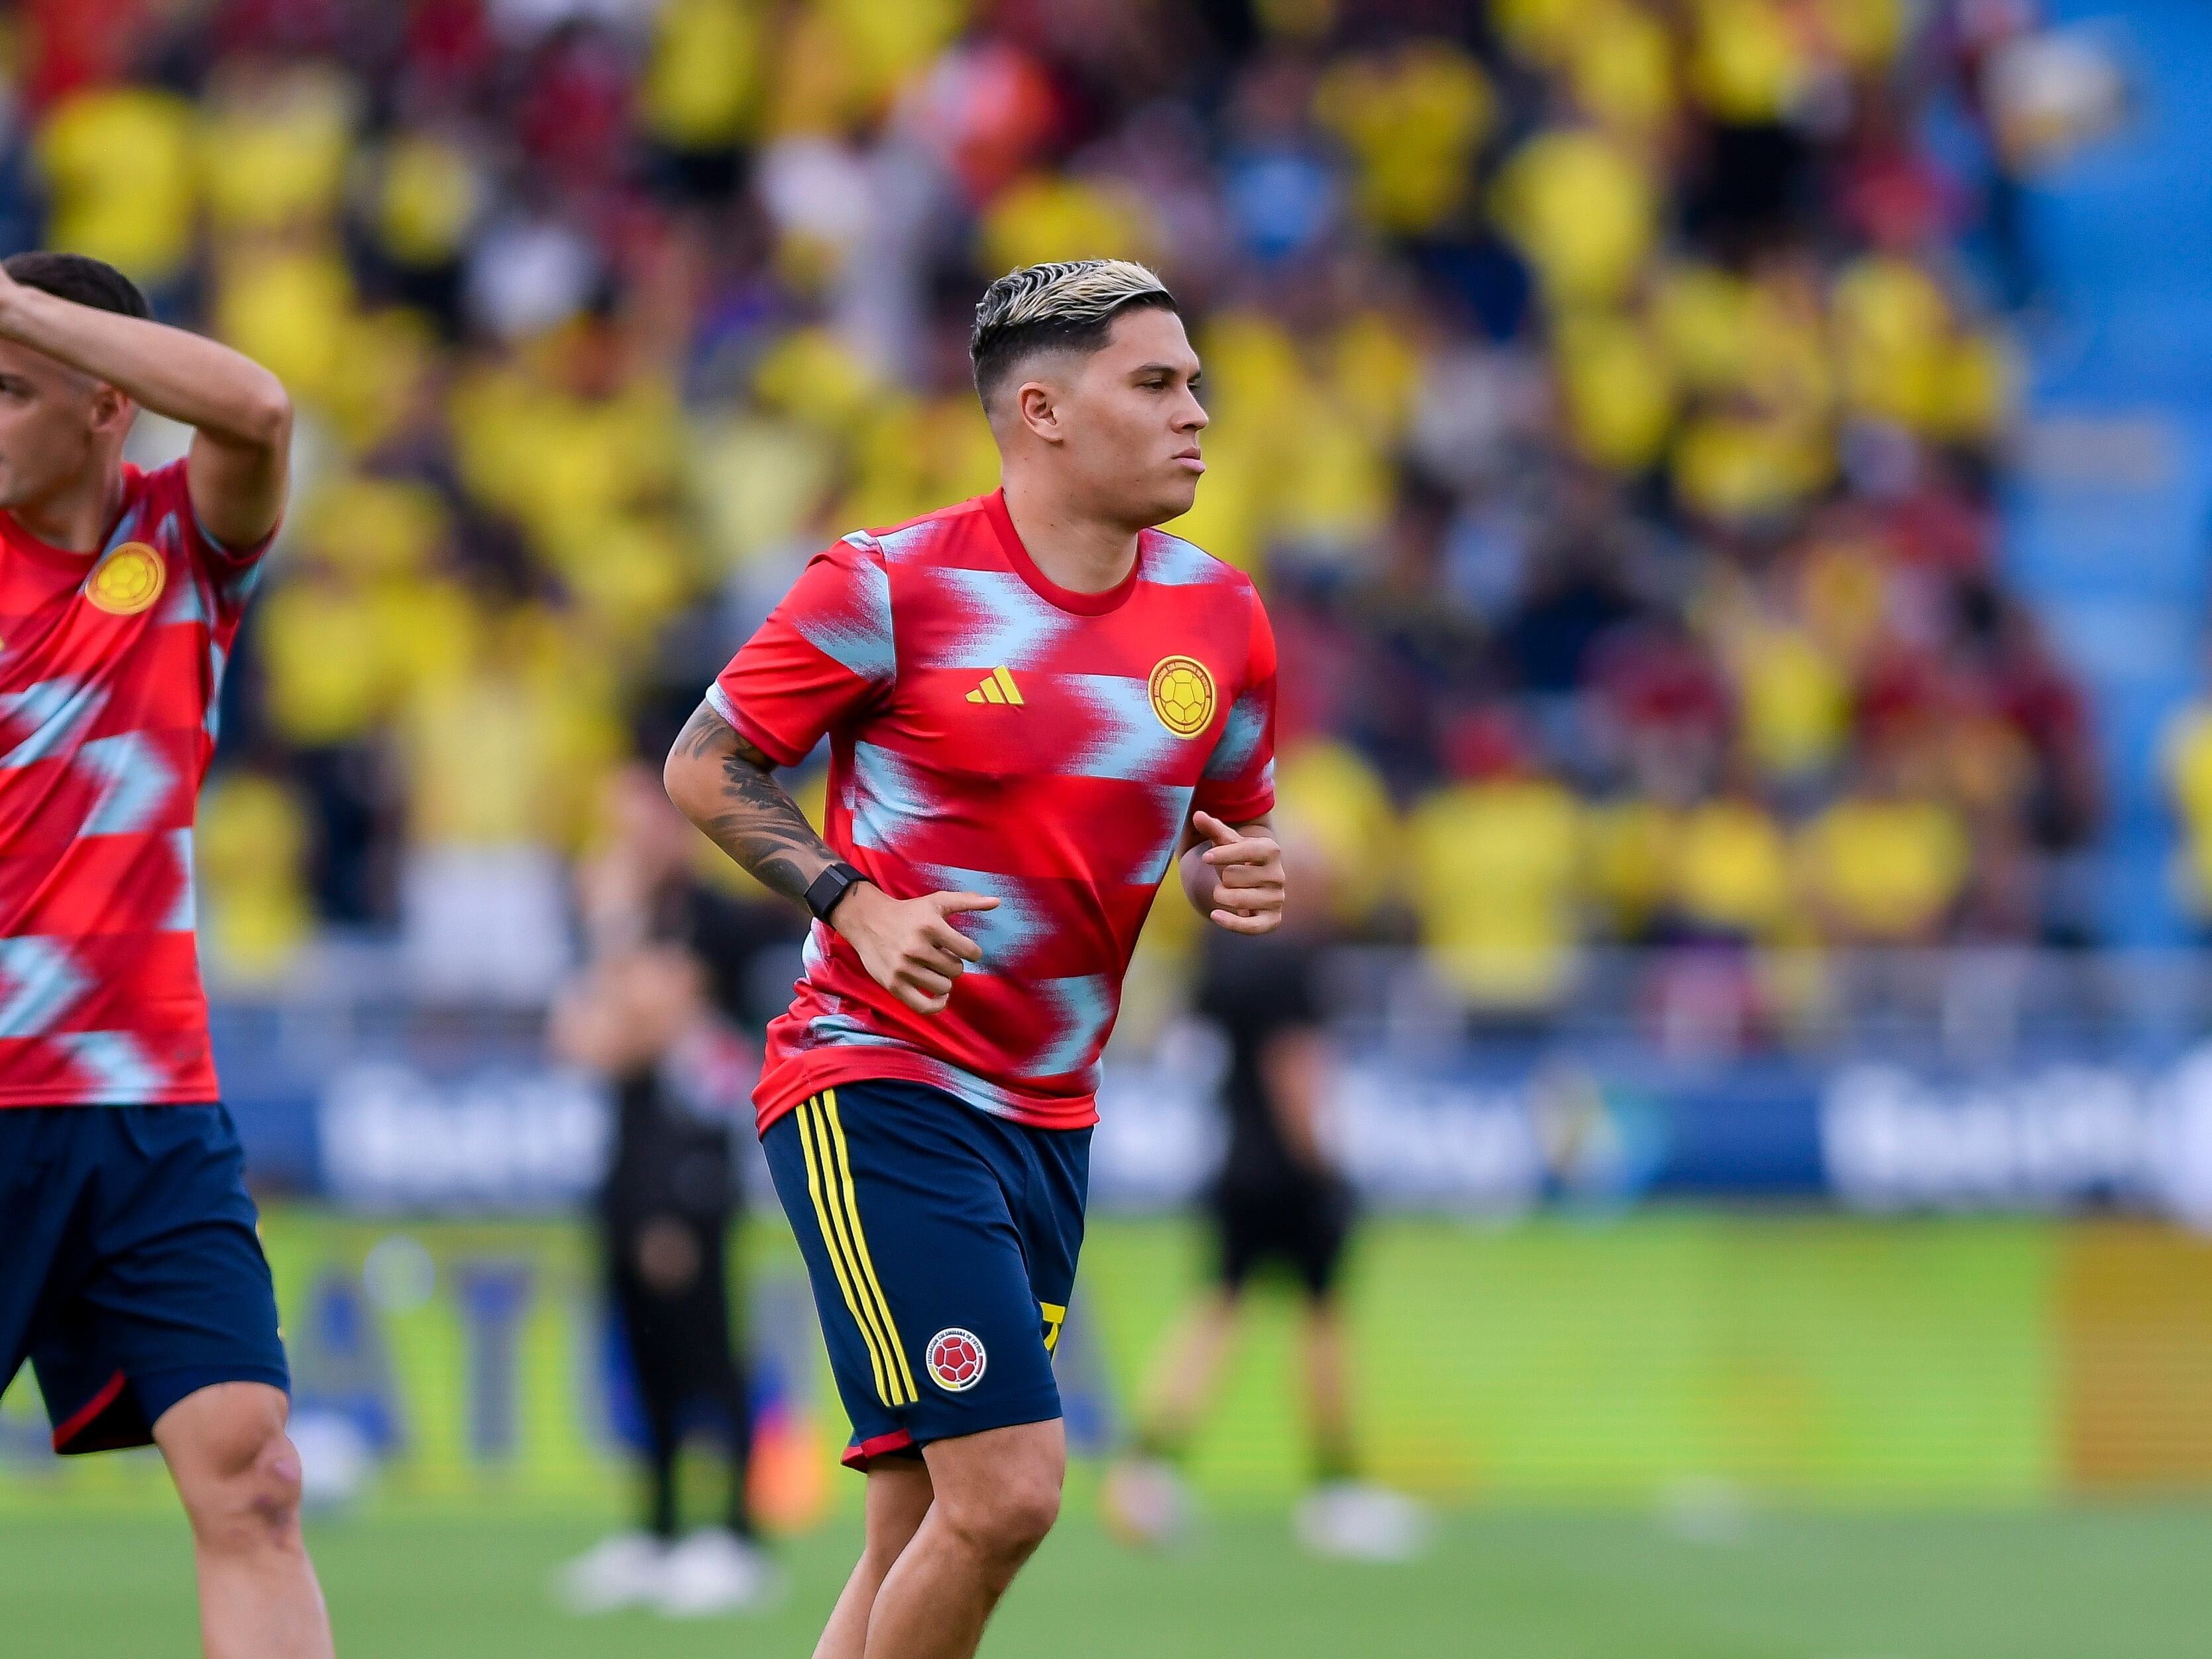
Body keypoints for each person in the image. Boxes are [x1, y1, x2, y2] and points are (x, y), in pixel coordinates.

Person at [663, 258, 1286, 1659]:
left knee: (915, 1528)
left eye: (1193, 380)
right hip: (877, 1081)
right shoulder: (887, 585)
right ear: (1044, 412)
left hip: (1050, 1115)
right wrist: (852, 901)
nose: (1199, 409)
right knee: (1005, 1493)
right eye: (1158, 383)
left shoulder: (1222, 620)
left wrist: (1222, 867)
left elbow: (1225, 817)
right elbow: (702, 769)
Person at [0, 253, 329, 1656]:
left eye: (6, 389)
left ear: (105, 409)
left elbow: (256, 408)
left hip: (149, 1109)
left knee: (253, 1479)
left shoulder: (182, 546)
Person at [1102, 834, 1427, 1561]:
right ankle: (1335, 1485)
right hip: (1285, 1166)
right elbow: (1295, 1069)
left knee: (1215, 1310)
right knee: (1321, 1319)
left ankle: (1149, 1467)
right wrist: (1325, 1165)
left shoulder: (1220, 958)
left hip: (1232, 1157)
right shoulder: (1293, 962)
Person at [549, 761, 793, 1616]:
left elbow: (644, 1019)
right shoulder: (627, 924)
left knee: (706, 1351)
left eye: (633, 816)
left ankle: (732, 1533)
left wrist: (613, 942)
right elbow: (582, 1040)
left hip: (692, 1166)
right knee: (642, 1352)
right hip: (623, 1160)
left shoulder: (707, 918)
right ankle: (654, 1531)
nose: (621, 837)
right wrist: (621, 1000)